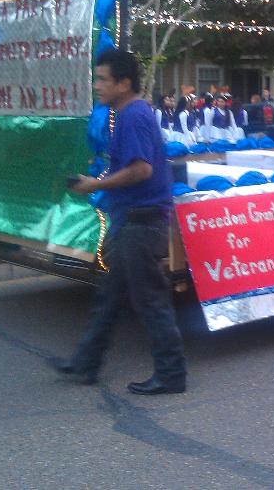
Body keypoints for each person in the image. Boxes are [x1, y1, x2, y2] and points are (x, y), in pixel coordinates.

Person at [54, 49, 186, 395]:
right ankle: (86, 362)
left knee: (151, 301)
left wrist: (95, 184)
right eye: (96, 78)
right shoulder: (126, 114)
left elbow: (142, 170)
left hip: (141, 224)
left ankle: (172, 375)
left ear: (124, 83)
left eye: (103, 80)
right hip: (129, 221)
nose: (97, 86)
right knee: (110, 296)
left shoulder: (133, 116)